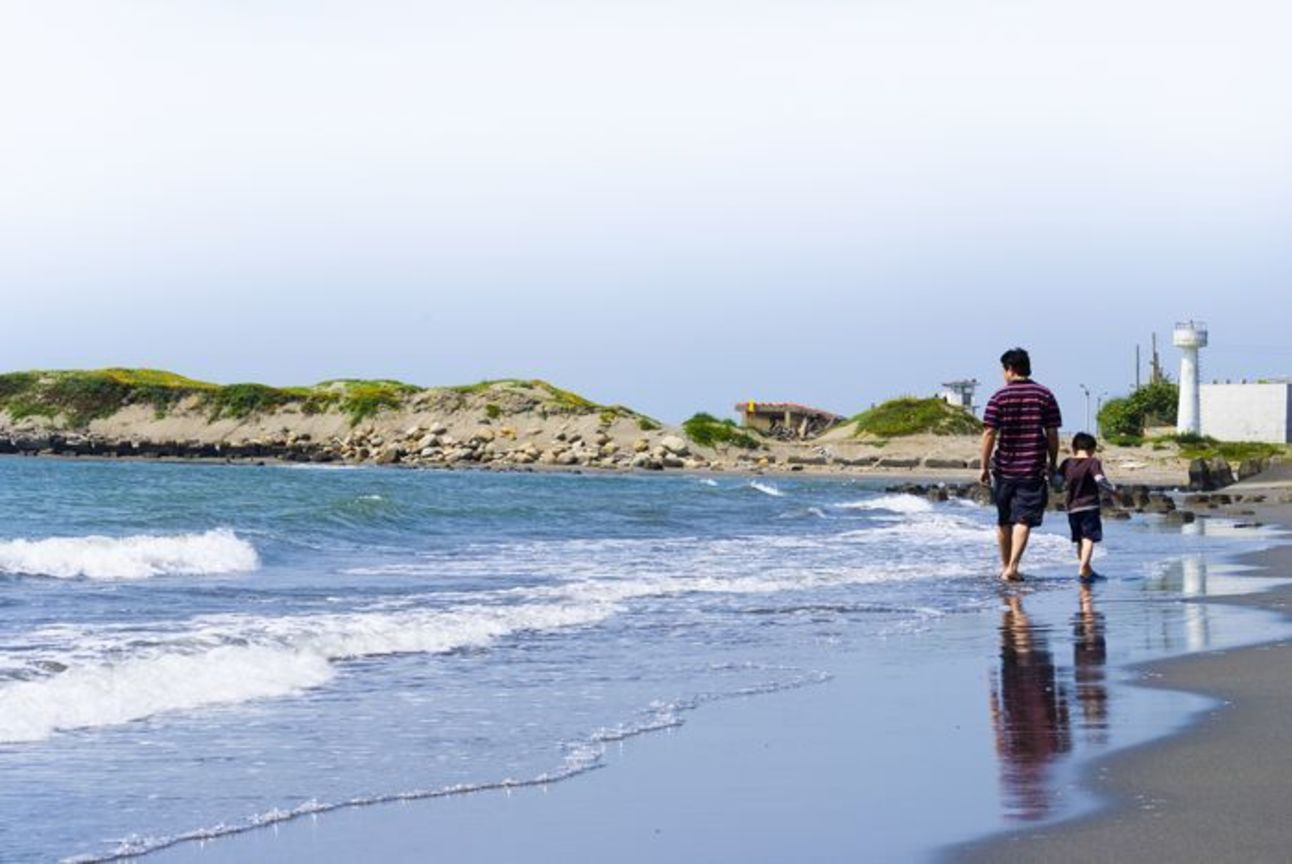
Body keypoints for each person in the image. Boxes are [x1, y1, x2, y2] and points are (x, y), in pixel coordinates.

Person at [979, 347, 1062, 581]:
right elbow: (1052, 433)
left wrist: (983, 466)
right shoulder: (1044, 395)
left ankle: (1006, 566)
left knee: (1004, 519)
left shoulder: (999, 397)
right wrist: (1052, 462)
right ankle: (1012, 567)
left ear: (1010, 369)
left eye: (1003, 370)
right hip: (1032, 468)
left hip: (1004, 468)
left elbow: (989, 433)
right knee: (1023, 519)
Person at [1058, 432, 1116, 582]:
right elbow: (1099, 479)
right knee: (1089, 537)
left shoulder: (1066, 463)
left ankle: (1087, 569)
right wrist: (1113, 491)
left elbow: (1057, 481)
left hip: (1072, 507)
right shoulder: (1092, 462)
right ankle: (1084, 566)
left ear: (1074, 447)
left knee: (1079, 539)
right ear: (1092, 449)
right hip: (1089, 506)